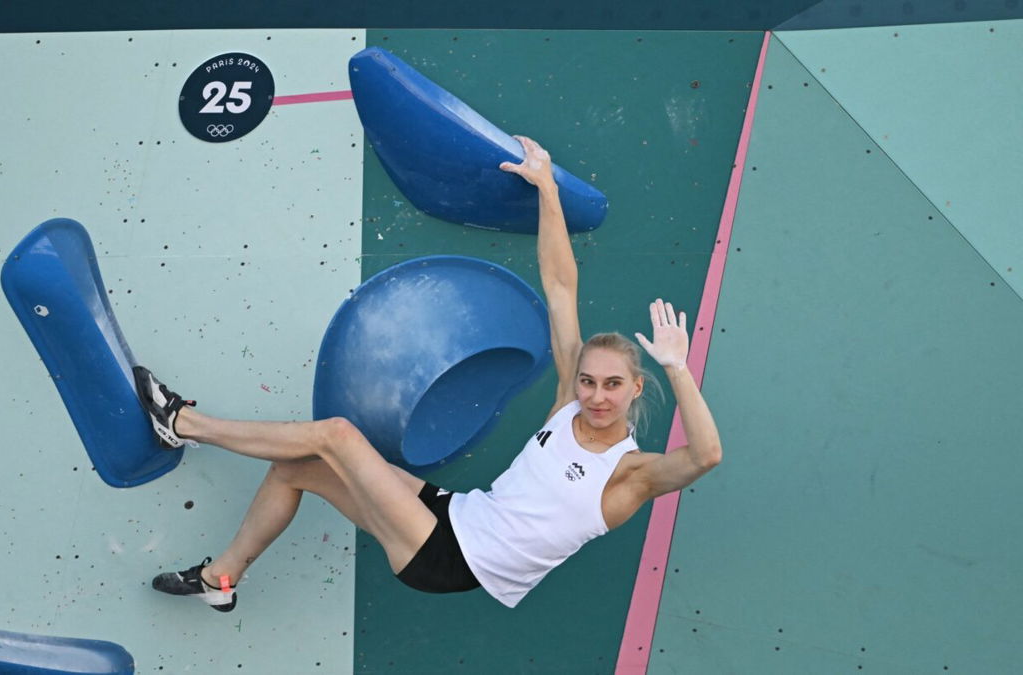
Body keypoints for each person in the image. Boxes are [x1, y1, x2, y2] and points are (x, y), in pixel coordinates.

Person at [139, 136, 722, 612]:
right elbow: (561, 285)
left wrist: (677, 366)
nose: (594, 395)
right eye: (589, 380)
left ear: (636, 388)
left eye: (612, 385)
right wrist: (545, 185)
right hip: (455, 514)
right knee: (295, 468)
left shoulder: (629, 474)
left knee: (337, 435)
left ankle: (183, 423)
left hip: (453, 560)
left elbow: (704, 457)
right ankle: (220, 580)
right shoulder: (568, 403)